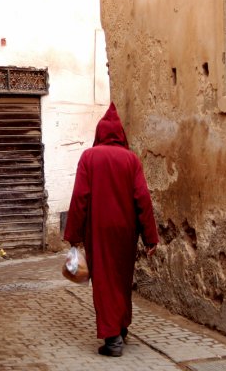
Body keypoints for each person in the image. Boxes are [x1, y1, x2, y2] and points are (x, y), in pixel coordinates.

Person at [63, 102, 159, 357]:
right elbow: (142, 198)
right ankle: (122, 327)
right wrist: (150, 236)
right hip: (127, 232)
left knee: (104, 282)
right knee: (121, 280)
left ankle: (113, 338)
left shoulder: (89, 157)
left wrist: (73, 235)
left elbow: (80, 197)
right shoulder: (131, 159)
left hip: (99, 231)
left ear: (99, 133)